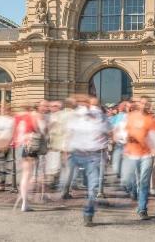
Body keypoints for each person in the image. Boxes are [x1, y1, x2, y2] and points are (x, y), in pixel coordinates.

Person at [63, 96, 111, 227]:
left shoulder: (101, 116)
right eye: (91, 103)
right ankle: (65, 190)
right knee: (66, 179)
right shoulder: (78, 114)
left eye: (96, 104)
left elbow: (108, 132)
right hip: (77, 153)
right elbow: (70, 132)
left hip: (94, 156)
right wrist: (66, 149)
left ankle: (88, 213)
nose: (94, 106)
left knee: (93, 187)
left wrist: (105, 146)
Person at [122, 97, 155, 220]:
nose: (144, 105)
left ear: (149, 105)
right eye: (142, 103)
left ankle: (142, 209)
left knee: (144, 182)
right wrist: (125, 139)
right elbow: (123, 132)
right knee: (128, 180)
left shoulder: (152, 120)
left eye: (147, 103)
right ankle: (133, 192)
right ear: (138, 104)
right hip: (131, 154)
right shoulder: (130, 117)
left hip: (146, 155)